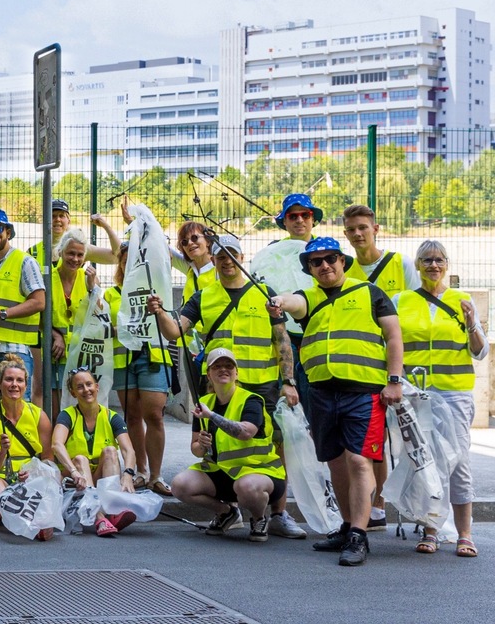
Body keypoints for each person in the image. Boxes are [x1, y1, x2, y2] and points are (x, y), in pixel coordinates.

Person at [147, 232, 305, 538]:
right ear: (213, 260)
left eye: (232, 256)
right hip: (221, 390)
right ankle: (227, 508)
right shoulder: (203, 297)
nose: (227, 262)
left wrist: (289, 382)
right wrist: (161, 312)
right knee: (218, 446)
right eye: (220, 257)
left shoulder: (264, 293)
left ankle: (278, 514)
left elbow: (281, 338)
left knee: (273, 447)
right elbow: (174, 332)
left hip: (262, 388)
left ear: (241, 258)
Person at [267, 236, 403, 567]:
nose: (325, 265)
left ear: (343, 261)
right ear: (309, 268)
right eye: (316, 261)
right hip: (323, 392)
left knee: (359, 461)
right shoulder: (308, 297)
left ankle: (359, 533)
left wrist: (394, 380)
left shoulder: (369, 293)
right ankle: (346, 526)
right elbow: (294, 302)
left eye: (331, 259)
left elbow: (394, 336)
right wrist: (280, 301)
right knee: (335, 462)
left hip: (365, 392)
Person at [395, 240, 487, 557]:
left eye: (439, 260)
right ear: (417, 265)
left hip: (454, 392)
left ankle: (465, 533)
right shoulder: (401, 300)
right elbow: (390, 344)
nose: (433, 265)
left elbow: (480, 351)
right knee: (426, 462)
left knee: (458, 461)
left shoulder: (462, 300)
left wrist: (472, 322)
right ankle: (431, 529)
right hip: (415, 394)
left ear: (447, 264)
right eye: (426, 260)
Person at [341, 203, 419, 531]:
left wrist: (400, 372)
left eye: (363, 227)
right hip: (362, 367)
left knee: (408, 441)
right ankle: (376, 506)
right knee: (373, 442)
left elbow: (417, 308)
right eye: (351, 229)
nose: (358, 233)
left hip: (397, 369)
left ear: (376, 229)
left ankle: (418, 507)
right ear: (345, 234)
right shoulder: (344, 270)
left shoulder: (400, 264)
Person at [172, 348, 287, 543]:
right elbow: (195, 448)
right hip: (222, 474)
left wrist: (212, 416)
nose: (223, 370)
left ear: (237, 373)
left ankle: (259, 518)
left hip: (260, 474)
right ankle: (226, 512)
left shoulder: (251, 400)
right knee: (179, 485)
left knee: (247, 486)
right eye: (216, 366)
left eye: (228, 366)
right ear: (208, 374)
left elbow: (245, 432)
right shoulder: (204, 403)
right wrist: (202, 444)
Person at [106, 242, 171, 496]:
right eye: (125, 259)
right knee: (131, 415)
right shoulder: (111, 293)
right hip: (124, 359)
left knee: (154, 415)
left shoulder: (157, 288)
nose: (129, 263)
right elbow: (105, 326)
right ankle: (140, 471)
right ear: (120, 263)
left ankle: (156, 475)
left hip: (152, 355)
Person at [252, 192, 322, 407]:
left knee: (316, 397)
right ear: (284, 221)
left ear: (313, 219)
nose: (299, 220)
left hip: (317, 329)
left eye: (305, 214)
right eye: (293, 216)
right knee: (289, 398)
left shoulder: (326, 249)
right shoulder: (273, 252)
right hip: (285, 332)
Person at [0, 355, 54, 538]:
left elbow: (48, 458)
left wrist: (33, 474)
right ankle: (31, 521)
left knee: (47, 483)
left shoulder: (38, 415)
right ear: (0, 383)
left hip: (28, 477)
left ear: (26, 385)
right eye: (9, 379)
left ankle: (2, 515)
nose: (14, 385)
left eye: (19, 380)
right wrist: (2, 451)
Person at [51, 367, 136, 536]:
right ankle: (99, 517)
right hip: (73, 480)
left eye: (89, 384)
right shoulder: (67, 415)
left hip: (96, 478)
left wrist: (128, 475)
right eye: (80, 387)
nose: (86, 390)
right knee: (81, 459)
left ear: (97, 387)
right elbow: (56, 445)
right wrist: (74, 471)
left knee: (111, 451)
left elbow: (128, 450)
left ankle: (113, 510)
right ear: (73, 393)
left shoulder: (112, 416)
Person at [0, 209, 45, 405]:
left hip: (14, 348)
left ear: (8, 232)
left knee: (18, 406)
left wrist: (3, 314)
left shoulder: (25, 261)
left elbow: (39, 301)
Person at [49, 228, 97, 397]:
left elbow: (98, 316)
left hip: (81, 354)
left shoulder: (87, 279)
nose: (75, 259)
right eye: (71, 253)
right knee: (55, 404)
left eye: (80, 255)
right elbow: (38, 315)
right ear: (60, 252)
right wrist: (55, 335)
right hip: (54, 353)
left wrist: (93, 289)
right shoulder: (47, 278)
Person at [171, 221, 216, 303]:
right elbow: (164, 249)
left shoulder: (219, 270)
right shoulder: (190, 268)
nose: (190, 243)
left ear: (208, 241)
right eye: (184, 242)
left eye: (194, 238)